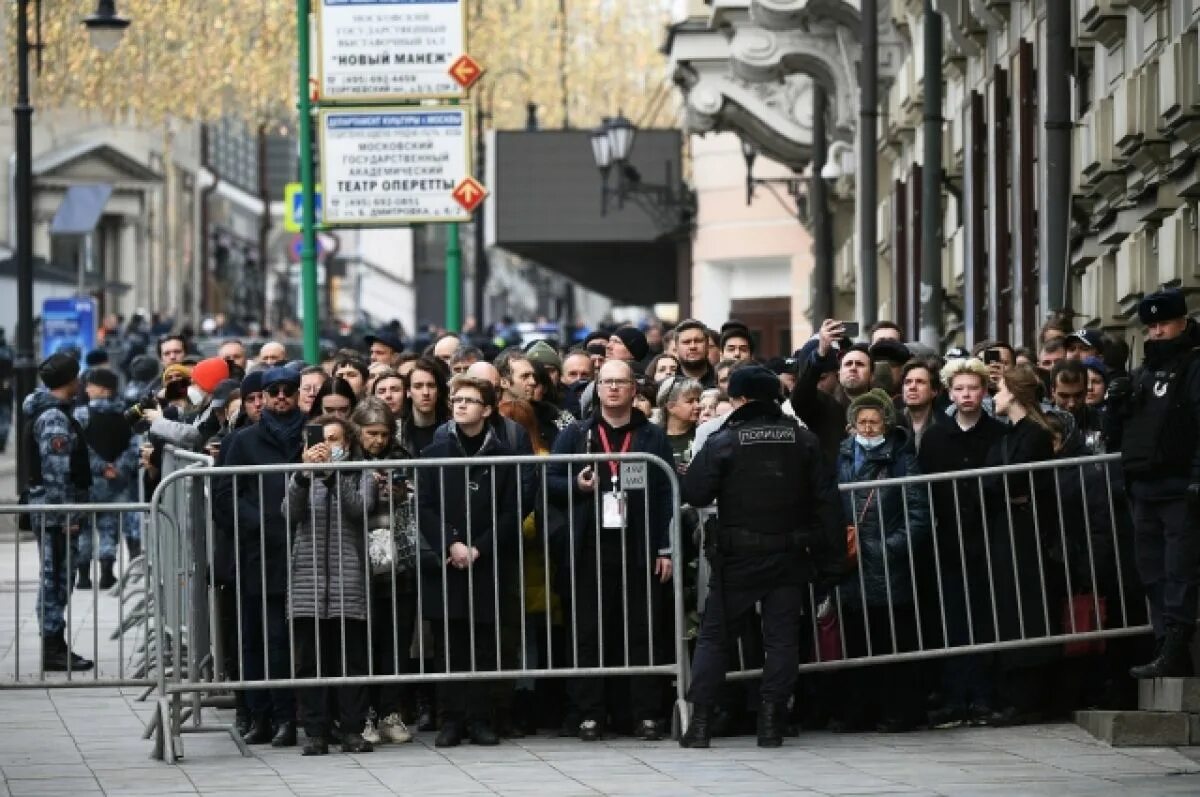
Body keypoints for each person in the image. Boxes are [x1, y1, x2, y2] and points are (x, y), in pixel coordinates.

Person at [680, 366, 841, 748]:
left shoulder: (724, 440)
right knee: (782, 640)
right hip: (789, 555)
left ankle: (700, 724)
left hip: (737, 557)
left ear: (738, 399)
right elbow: (828, 503)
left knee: (714, 639)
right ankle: (771, 723)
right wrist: (831, 562)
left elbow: (697, 492)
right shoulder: (803, 440)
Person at [547, 359, 675, 742]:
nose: (614, 388)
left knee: (642, 630)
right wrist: (577, 484)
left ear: (634, 389)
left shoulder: (652, 436)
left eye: (621, 382)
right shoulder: (577, 434)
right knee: (587, 632)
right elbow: (549, 481)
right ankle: (589, 713)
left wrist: (665, 547)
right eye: (607, 382)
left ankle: (645, 714)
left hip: (638, 547)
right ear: (597, 388)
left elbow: (667, 493)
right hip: (590, 549)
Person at [417, 375, 521, 747]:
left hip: (488, 561)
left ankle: (481, 718)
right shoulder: (433, 453)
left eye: (470, 400)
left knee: (484, 643)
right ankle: (451, 720)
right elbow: (424, 506)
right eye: (457, 399)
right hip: (449, 561)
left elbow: (513, 510)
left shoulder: (505, 457)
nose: (460, 405)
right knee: (449, 642)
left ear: (488, 409)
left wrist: (480, 547)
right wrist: (451, 543)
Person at [1107, 288, 1200, 678]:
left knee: (1180, 571)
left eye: (1163, 324)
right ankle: (1165, 645)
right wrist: (1116, 402)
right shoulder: (1142, 373)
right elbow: (1119, 436)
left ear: (1182, 322)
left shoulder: (1194, 366)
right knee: (1152, 570)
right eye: (1151, 326)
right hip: (1145, 487)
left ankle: (1177, 649)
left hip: (1180, 487)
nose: (1157, 332)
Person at [212, 367, 304, 747]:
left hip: (302, 551)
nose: (281, 397)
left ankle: (286, 716)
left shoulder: (309, 436)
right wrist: (263, 523)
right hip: (256, 553)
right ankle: (259, 714)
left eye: (288, 391)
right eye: (274, 391)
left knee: (283, 639)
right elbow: (222, 495)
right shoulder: (242, 441)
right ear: (262, 397)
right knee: (255, 638)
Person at [918, 358, 1009, 727]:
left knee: (987, 616)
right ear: (950, 394)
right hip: (949, 538)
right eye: (960, 389)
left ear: (985, 392)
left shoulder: (998, 434)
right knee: (954, 617)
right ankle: (957, 695)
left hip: (988, 536)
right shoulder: (937, 436)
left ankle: (985, 695)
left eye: (973, 388)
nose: (967, 395)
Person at [833, 388, 930, 732]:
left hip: (889, 565)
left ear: (887, 424)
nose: (869, 428)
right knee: (857, 642)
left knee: (893, 642)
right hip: (852, 566)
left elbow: (918, 513)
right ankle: (860, 711)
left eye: (875, 421)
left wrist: (888, 549)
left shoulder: (902, 459)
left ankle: (899, 712)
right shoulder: (843, 457)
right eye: (862, 421)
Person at [289, 415, 377, 755]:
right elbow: (290, 512)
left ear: (348, 445)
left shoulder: (361, 473)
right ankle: (316, 730)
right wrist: (303, 475)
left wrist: (334, 475)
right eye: (322, 440)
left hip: (348, 580)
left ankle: (353, 729)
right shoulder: (299, 475)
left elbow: (360, 509)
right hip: (307, 583)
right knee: (311, 660)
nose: (328, 446)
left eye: (336, 439)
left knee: (350, 658)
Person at [984, 365, 1058, 723]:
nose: (993, 396)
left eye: (997, 389)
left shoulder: (1034, 435)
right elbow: (992, 479)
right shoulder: (1007, 436)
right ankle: (1015, 692)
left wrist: (1004, 487)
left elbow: (1015, 480)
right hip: (1007, 525)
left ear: (1013, 392)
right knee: (1009, 604)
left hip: (1026, 529)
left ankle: (1029, 695)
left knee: (1026, 604)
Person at [21, 353, 94, 671]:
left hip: (53, 511)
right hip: (55, 514)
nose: (79, 382)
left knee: (58, 578)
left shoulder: (54, 412)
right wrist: (67, 516)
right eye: (76, 377)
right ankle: (52, 648)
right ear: (69, 380)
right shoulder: (53, 418)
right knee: (56, 579)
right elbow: (56, 471)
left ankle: (55, 643)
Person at [351, 400, 416, 747]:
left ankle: (392, 711)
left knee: (396, 643)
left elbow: (418, 499)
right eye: (370, 433)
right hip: (357, 564)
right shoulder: (347, 462)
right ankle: (365, 715)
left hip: (397, 562)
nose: (377, 440)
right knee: (363, 645)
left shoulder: (402, 459)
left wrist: (401, 493)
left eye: (383, 434)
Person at [73, 368, 141, 591]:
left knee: (84, 528)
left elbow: (79, 447)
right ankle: (106, 574)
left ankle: (83, 576)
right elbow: (134, 447)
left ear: (103, 389)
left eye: (91, 384)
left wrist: (100, 467)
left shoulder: (81, 415)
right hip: (116, 484)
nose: (87, 388)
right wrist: (117, 468)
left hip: (89, 481)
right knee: (109, 528)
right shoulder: (126, 415)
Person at [790, 320, 874, 464]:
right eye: (848, 364)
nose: (853, 368)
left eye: (859, 364)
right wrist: (820, 354)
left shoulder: (885, 409)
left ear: (872, 375)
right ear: (839, 373)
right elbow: (800, 400)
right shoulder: (824, 406)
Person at [401, 357, 450, 455]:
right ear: (408, 392)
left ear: (439, 391)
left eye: (431, 386)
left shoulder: (452, 430)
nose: (425, 393)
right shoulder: (397, 432)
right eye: (418, 386)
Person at [655, 376, 702, 471]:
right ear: (670, 407)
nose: (698, 405)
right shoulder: (654, 436)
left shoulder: (703, 434)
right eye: (690, 401)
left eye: (698, 400)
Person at [898, 360, 944, 452]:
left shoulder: (946, 427)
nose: (912, 387)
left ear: (934, 391)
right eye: (908, 382)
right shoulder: (892, 424)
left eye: (920, 382)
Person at [673, 320, 716, 387]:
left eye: (698, 341)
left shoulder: (722, 381)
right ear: (676, 347)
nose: (693, 346)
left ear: (707, 345)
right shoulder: (668, 386)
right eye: (686, 342)